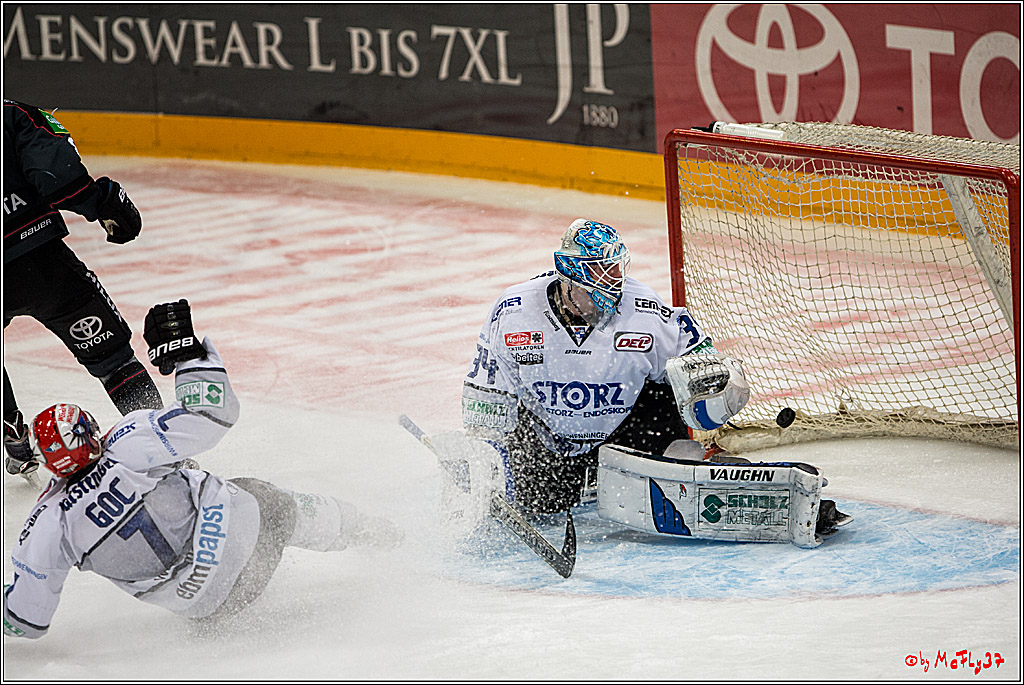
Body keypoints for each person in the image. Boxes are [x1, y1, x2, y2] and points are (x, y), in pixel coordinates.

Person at [2, 300, 401, 639]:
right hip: (251, 541)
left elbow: (26, 620)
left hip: (206, 608)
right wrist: (187, 357)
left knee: (219, 505)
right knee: (264, 498)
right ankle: (378, 532)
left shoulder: (47, 522)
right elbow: (213, 414)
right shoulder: (126, 444)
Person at [461, 218, 755, 515]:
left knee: (665, 389)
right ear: (571, 272)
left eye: (615, 267)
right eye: (602, 269)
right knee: (542, 502)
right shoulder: (515, 310)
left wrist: (717, 383)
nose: (614, 279)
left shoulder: (644, 308)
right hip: (548, 441)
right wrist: (490, 460)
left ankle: (671, 469)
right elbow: (488, 392)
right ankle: (561, 481)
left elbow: (698, 355)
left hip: (624, 435)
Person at [3, 98, 162, 481]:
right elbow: (57, 176)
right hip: (41, 265)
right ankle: (163, 447)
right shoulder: (11, 114)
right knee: (114, 360)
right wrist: (104, 203)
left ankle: (14, 441)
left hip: (35, 261)